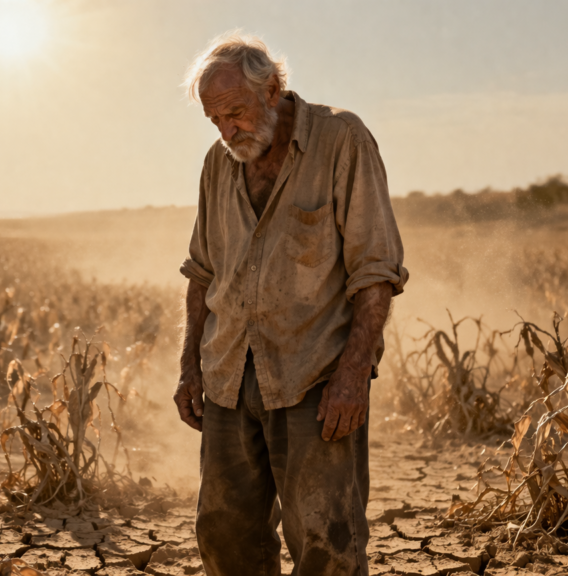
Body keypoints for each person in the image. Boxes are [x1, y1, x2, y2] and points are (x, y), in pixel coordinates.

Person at [174, 32, 409, 576]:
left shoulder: (341, 140)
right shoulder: (219, 163)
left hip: (315, 380)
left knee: (326, 540)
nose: (228, 131)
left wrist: (353, 374)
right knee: (225, 534)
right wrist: (190, 366)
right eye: (216, 121)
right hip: (229, 377)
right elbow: (201, 273)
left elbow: (375, 271)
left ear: (274, 89)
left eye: (236, 113)